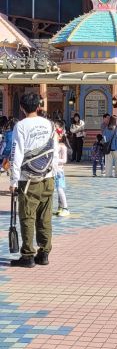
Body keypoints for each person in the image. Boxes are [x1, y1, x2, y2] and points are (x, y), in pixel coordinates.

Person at [9, 92, 59, 268]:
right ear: (38, 106)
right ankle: (44, 253)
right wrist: (54, 171)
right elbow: (54, 150)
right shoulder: (50, 124)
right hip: (48, 177)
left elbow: (16, 154)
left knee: (28, 217)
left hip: (28, 179)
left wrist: (14, 181)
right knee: (45, 217)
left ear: (22, 107)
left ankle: (28, 255)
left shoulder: (21, 126)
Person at [54, 126, 70, 217]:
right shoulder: (53, 145)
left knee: (60, 189)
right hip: (52, 170)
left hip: (59, 171)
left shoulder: (62, 146)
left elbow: (64, 160)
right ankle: (60, 207)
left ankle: (65, 208)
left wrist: (55, 160)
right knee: (55, 189)